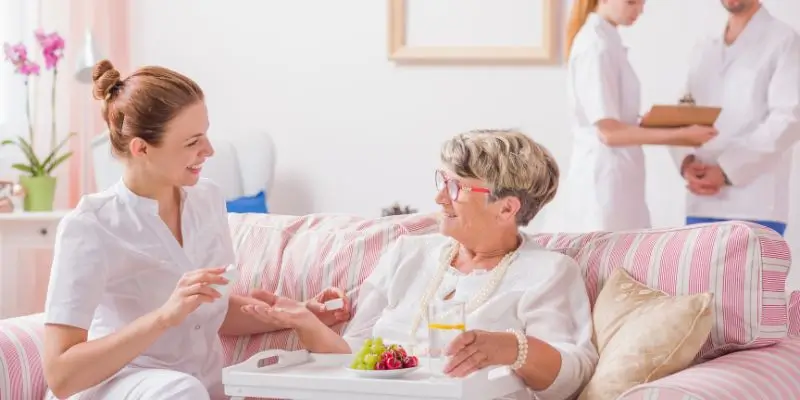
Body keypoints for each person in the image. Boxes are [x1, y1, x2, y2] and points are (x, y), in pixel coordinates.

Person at [41, 60, 350, 400]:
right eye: (192, 142)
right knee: (182, 390)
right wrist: (163, 317)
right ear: (141, 148)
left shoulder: (208, 200)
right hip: (118, 386)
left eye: (206, 133)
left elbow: (210, 312)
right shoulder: (90, 226)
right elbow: (61, 375)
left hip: (198, 388)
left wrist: (299, 313)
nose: (209, 150)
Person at [242, 129, 599, 400]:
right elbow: (356, 355)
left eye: (456, 187)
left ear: (507, 208)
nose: (439, 197)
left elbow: (570, 379)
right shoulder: (408, 253)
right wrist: (306, 324)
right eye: (442, 181)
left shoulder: (548, 271)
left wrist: (513, 347)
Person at [559, 0, 718, 233]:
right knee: (609, 263)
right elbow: (609, 133)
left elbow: (615, 122)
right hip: (603, 180)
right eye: (632, 2)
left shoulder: (607, 41)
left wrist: (651, 124)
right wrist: (681, 135)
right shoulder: (595, 46)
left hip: (619, 178)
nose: (640, 10)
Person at [671, 0, 800, 236]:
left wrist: (728, 169)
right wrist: (686, 162)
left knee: (749, 274)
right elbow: (683, 110)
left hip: (755, 204)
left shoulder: (784, 40)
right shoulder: (705, 45)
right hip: (701, 200)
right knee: (698, 274)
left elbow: (789, 118)